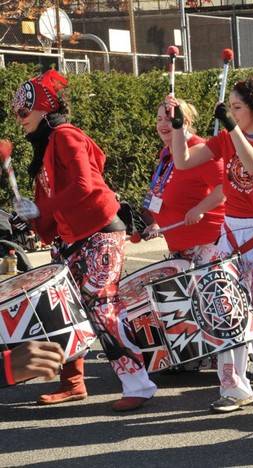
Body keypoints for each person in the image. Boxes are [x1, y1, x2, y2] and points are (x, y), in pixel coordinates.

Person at [11, 70, 157, 411]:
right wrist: (29, 218)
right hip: (72, 239)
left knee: (103, 307)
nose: (19, 120)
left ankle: (140, 384)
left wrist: (41, 208)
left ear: (44, 109)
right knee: (62, 309)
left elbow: (83, 185)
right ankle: (73, 382)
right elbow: (50, 216)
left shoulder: (65, 136)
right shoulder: (45, 146)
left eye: (24, 112)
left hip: (100, 232)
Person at [167, 76, 253, 418]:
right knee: (226, 312)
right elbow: (183, 161)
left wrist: (232, 129)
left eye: (238, 107)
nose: (233, 112)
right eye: (231, 108)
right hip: (232, 235)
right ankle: (234, 388)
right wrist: (178, 127)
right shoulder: (226, 139)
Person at [143, 99, 224, 264]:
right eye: (159, 119)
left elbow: (224, 188)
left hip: (206, 245)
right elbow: (163, 190)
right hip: (180, 249)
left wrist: (200, 209)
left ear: (184, 122)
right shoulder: (166, 153)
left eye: (169, 119)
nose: (162, 124)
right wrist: (157, 223)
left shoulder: (203, 151)